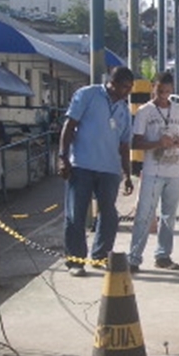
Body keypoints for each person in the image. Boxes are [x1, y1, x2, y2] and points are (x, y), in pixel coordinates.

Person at [58, 66, 135, 277]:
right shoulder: (87, 95)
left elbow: (124, 145)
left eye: (130, 88)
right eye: (125, 87)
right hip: (81, 166)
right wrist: (63, 158)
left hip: (109, 170)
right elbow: (69, 125)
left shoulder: (124, 110)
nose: (127, 92)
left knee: (109, 215)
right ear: (113, 83)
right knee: (76, 215)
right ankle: (75, 261)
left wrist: (127, 174)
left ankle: (100, 256)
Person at [128, 71, 179, 272]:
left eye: (167, 91)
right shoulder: (144, 112)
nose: (163, 95)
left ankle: (163, 255)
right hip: (153, 170)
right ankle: (134, 257)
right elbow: (135, 142)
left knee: (169, 215)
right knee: (145, 214)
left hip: (175, 170)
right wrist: (157, 143)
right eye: (159, 91)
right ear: (152, 87)